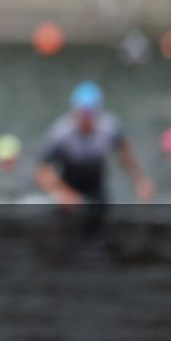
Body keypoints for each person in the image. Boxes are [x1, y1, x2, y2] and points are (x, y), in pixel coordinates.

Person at [35, 81, 155, 238]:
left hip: (97, 189)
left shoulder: (109, 127)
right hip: (70, 189)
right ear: (75, 110)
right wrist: (62, 193)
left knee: (100, 237)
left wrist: (139, 180)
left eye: (90, 114)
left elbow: (125, 153)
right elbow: (42, 171)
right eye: (82, 113)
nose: (86, 119)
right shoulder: (61, 134)